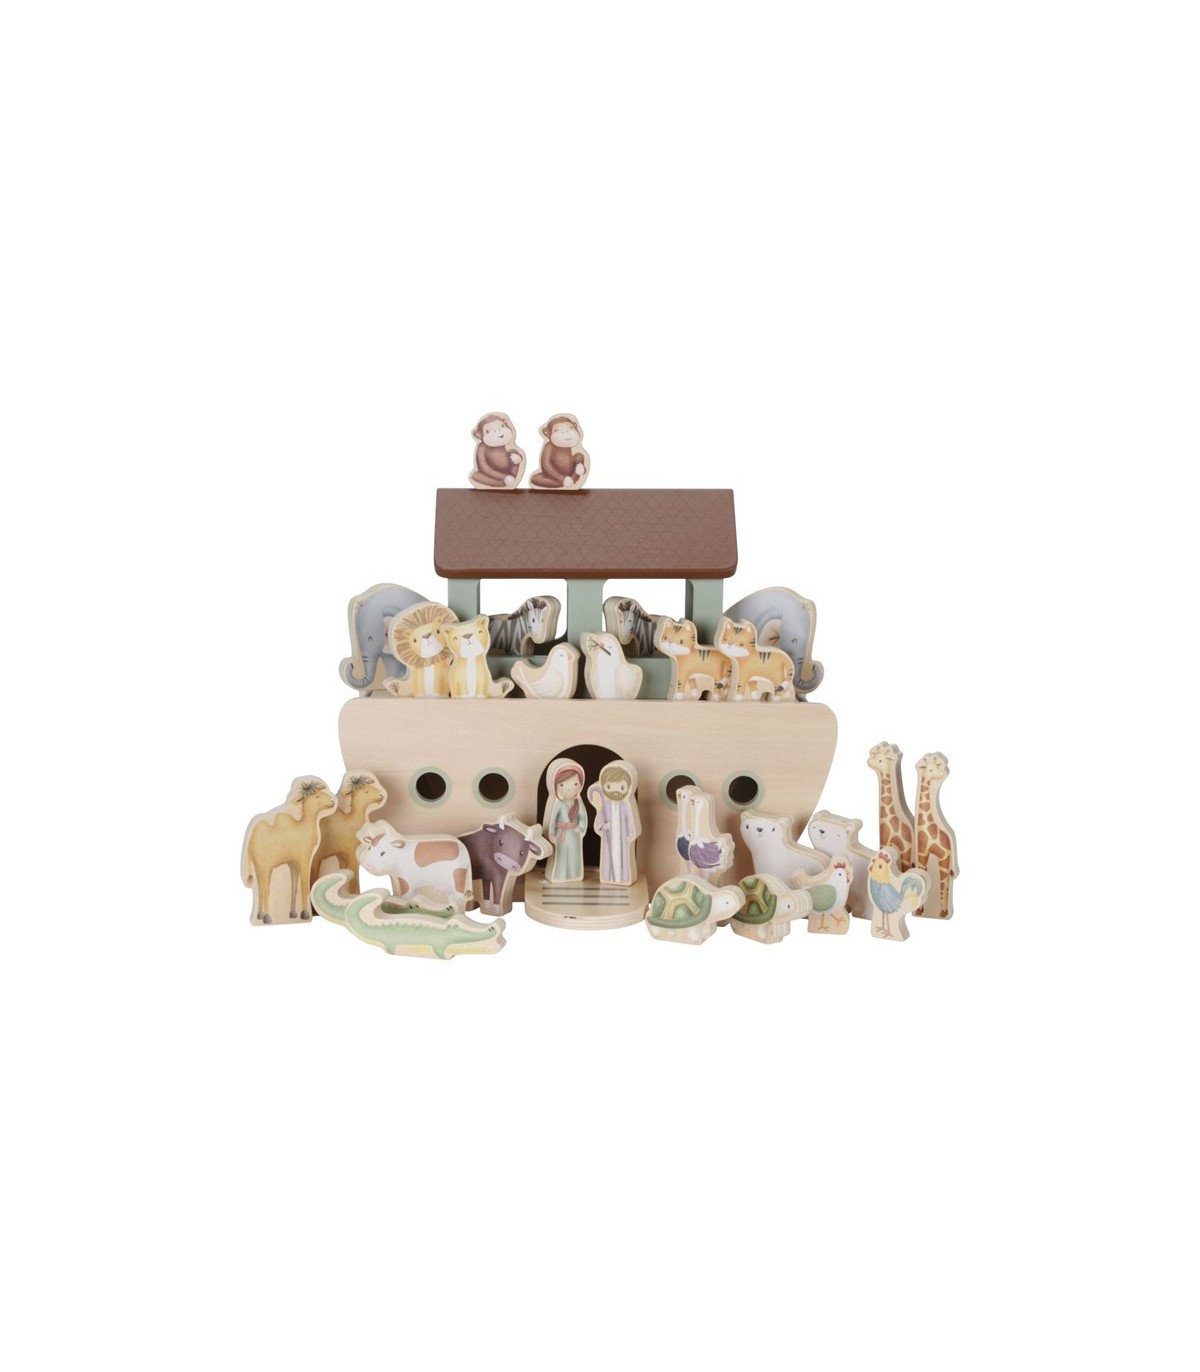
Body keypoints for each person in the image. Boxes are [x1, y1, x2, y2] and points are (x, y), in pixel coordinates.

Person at [589, 763, 639, 885]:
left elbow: (631, 820)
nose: (615, 791)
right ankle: (609, 877)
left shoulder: (626, 806)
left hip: (622, 838)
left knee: (622, 858)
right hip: (609, 838)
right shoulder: (605, 806)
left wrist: (631, 833)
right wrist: (602, 826)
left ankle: (622, 878)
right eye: (609, 787)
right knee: (608, 858)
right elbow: (600, 818)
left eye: (621, 787)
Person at [545, 761, 587, 882]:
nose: (569, 788)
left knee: (574, 855)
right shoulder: (558, 804)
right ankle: (560, 876)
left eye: (575, 784)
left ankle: (574, 875)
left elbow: (582, 817)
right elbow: (552, 819)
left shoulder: (578, 803)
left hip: (574, 834)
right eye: (562, 785)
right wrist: (551, 833)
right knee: (561, 855)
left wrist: (581, 826)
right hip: (561, 834)